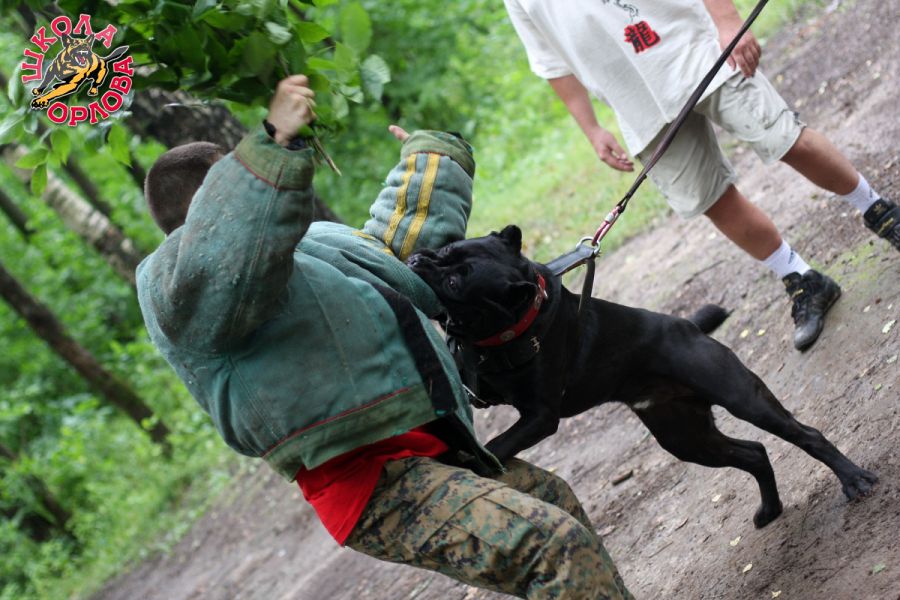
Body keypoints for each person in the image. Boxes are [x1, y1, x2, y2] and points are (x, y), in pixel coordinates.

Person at [137, 74, 633, 599]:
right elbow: (232, 254)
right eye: (235, 181)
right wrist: (273, 140)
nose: (257, 189)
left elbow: (394, 255)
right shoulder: (181, 291)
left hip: (430, 446)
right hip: (373, 486)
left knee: (552, 501)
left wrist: (431, 162)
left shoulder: (303, 247)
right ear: (209, 208)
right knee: (550, 545)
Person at [503, 0, 899, 351]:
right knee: (711, 199)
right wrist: (592, 130)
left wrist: (726, 20)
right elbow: (551, 63)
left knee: (785, 139)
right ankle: (802, 278)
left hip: (693, 48)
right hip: (635, 103)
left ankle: (880, 211)